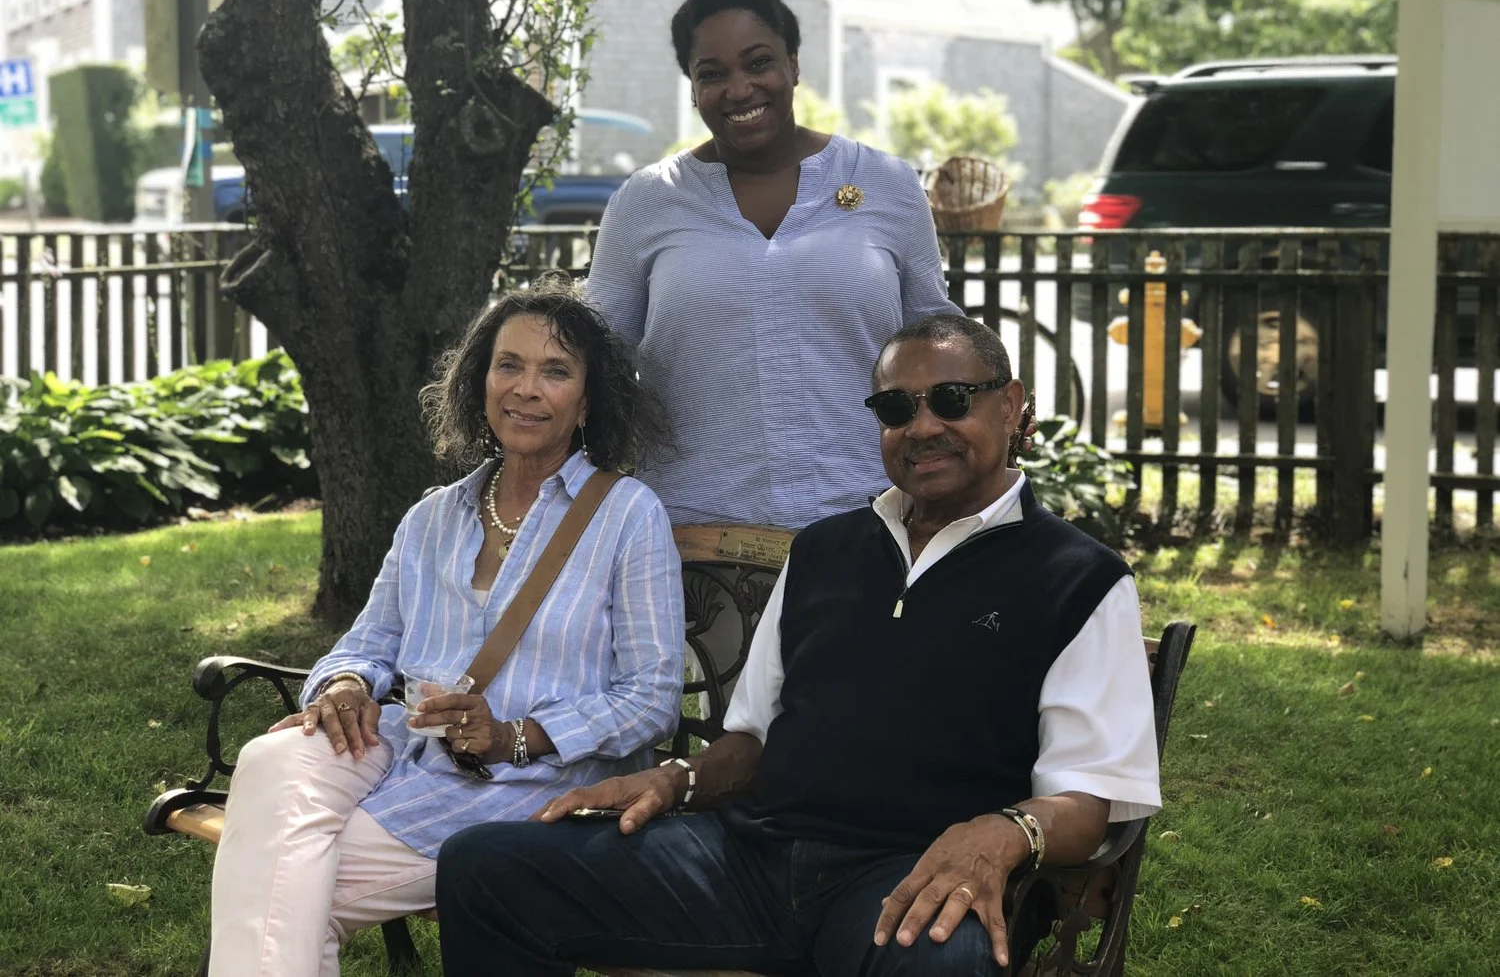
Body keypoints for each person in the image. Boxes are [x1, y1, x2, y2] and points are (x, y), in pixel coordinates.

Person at [435, 313, 1160, 977]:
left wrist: (1000, 835)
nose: (923, 426)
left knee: (942, 962)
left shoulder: (1078, 579)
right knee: (485, 866)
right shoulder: (826, 551)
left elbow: (1088, 801)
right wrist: (676, 781)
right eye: (897, 408)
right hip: (750, 859)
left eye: (952, 399)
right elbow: (750, 741)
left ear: (1011, 405)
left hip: (912, 876)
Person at [207, 286, 685, 977]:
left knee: (280, 884)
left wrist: (515, 734)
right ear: (479, 381)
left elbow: (652, 695)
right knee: (269, 759)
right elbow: (366, 643)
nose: (525, 389)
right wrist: (342, 683)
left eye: (555, 371)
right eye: (508, 365)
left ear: (587, 403)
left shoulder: (627, 514)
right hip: (406, 749)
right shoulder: (434, 514)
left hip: (531, 782)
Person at [584, 0, 963, 530]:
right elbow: (592, 358)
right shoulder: (647, 201)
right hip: (689, 539)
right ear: (693, 88)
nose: (739, 89)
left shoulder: (888, 183)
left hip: (865, 524)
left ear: (792, 64)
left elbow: (937, 341)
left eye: (759, 62)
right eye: (712, 73)